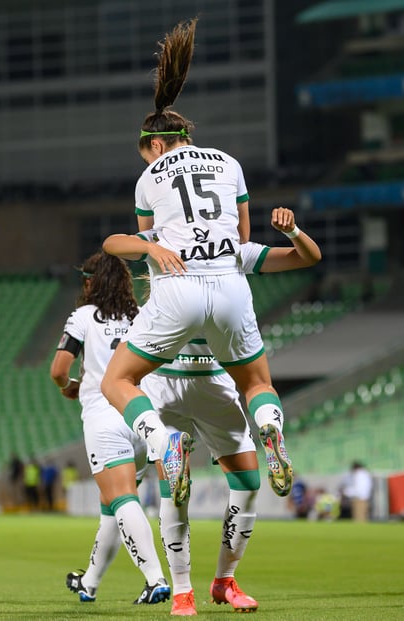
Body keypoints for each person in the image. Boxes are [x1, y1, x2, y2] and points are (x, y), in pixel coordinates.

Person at [101, 18, 318, 517]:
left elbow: (137, 240)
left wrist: (154, 248)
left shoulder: (149, 176)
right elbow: (241, 238)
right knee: (257, 384)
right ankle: (272, 430)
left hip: (179, 289)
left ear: (155, 146)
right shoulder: (228, 162)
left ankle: (162, 443)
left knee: (119, 382)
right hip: (229, 283)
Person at [101, 214, 321, 614]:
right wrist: (292, 231)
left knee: (176, 488)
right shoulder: (231, 251)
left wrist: (148, 247)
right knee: (246, 482)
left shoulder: (167, 243)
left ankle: (186, 591)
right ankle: (222, 581)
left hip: (165, 383)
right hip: (212, 381)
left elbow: (113, 243)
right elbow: (307, 257)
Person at [50, 251, 170, 605]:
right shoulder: (140, 315)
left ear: (91, 282)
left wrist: (68, 385)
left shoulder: (84, 316)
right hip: (140, 416)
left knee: (121, 499)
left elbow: (59, 368)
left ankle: (155, 579)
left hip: (104, 418)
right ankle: (89, 581)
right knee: (111, 505)